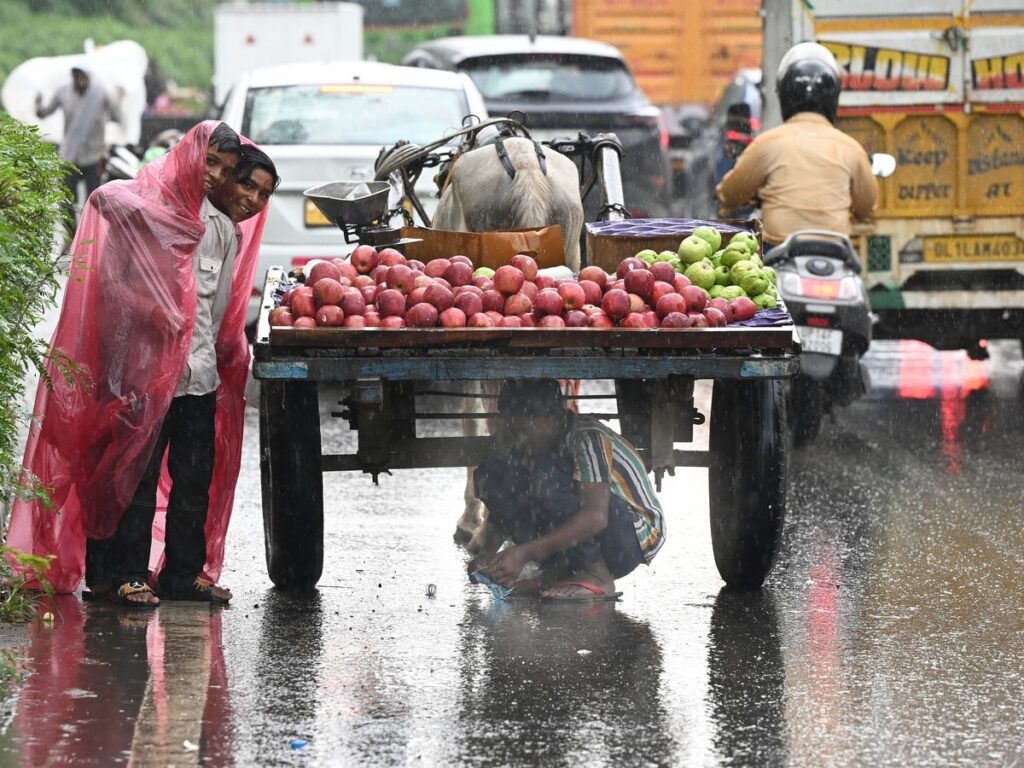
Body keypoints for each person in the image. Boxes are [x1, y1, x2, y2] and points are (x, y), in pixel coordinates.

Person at [5, 122, 274, 608]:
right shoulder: (145, 210)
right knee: (132, 476)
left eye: (229, 171)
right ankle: (126, 575)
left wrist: (227, 356)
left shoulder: (224, 232)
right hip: (142, 377)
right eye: (209, 162)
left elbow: (216, 312)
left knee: (195, 478)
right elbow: (109, 265)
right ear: (189, 154)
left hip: (198, 376)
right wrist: (152, 307)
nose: (216, 176)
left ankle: (183, 574)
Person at [470, 379, 666, 602]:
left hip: (629, 539)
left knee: (546, 478)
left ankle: (598, 574)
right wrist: (487, 555)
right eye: (513, 430)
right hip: (591, 532)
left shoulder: (587, 437)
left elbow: (597, 517)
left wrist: (524, 553)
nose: (519, 439)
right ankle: (559, 571)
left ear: (554, 418)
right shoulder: (530, 443)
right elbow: (505, 497)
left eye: (524, 430)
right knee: (493, 473)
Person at [716, 42, 878, 247]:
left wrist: (724, 198)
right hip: (836, 255)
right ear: (833, 96)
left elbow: (731, 194)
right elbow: (867, 208)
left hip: (779, 252)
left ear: (784, 94)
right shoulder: (850, 147)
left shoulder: (768, 143)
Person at [36, 65, 122, 220]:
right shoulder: (63, 92)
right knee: (67, 198)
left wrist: (118, 95)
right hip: (70, 154)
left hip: (93, 154)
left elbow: (116, 112)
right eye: (77, 77)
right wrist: (38, 104)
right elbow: (45, 112)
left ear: (88, 77)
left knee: (94, 198)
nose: (80, 81)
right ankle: (70, 235)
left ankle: (91, 233)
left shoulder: (100, 93)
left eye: (83, 77)